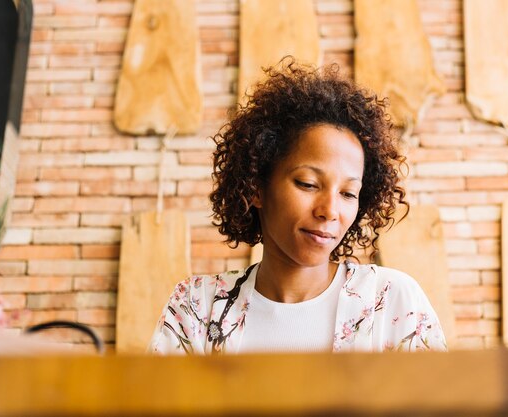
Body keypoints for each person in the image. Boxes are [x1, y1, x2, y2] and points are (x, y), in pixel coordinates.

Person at [149, 58, 447, 354]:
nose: (329, 210)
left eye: (348, 194)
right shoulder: (197, 308)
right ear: (256, 186)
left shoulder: (392, 302)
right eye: (307, 184)